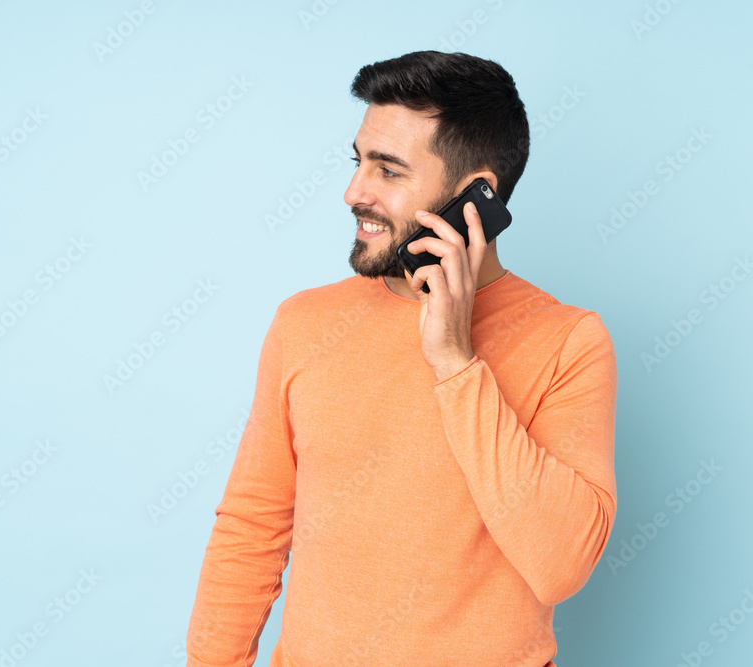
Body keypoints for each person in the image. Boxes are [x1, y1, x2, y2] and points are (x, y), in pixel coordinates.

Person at [185, 50, 618, 666]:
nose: (352, 192)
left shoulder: (568, 341)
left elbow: (561, 566)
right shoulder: (304, 323)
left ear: (477, 197)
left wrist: (456, 363)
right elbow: (250, 530)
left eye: (388, 171)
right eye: (358, 162)